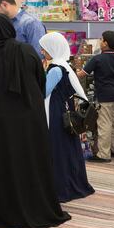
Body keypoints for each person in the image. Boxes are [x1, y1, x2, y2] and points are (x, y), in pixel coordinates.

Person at [0, 13, 71, 228]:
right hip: (29, 120)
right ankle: (36, 206)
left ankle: (3, 211)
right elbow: (40, 82)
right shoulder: (26, 51)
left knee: (0, 164)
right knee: (31, 162)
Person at [41, 32, 95, 203]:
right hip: (65, 112)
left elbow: (43, 92)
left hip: (56, 113)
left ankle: (61, 186)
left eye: (45, 48)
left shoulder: (55, 69)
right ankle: (72, 182)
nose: (43, 51)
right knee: (67, 147)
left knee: (57, 149)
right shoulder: (64, 66)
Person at [78, 30, 114, 164]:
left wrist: (71, 72)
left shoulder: (97, 58)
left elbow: (82, 74)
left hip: (104, 96)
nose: (100, 41)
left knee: (104, 123)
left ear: (105, 43)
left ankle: (104, 154)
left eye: (102, 39)